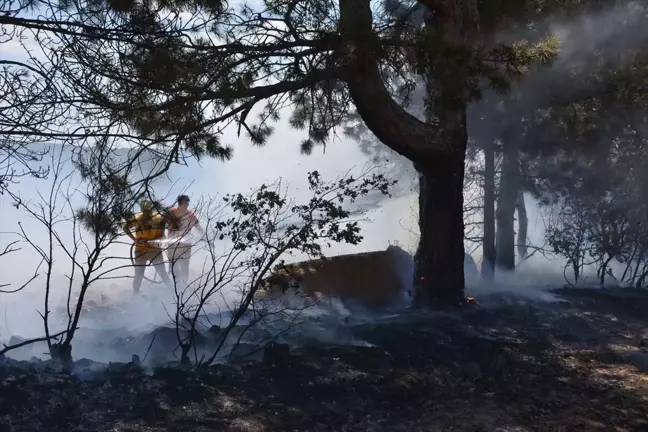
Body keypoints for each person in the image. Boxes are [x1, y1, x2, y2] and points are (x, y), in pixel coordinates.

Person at [122, 200, 173, 293]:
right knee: (139, 273)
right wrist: (135, 240)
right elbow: (125, 227)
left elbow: (162, 236)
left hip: (155, 251)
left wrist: (150, 242)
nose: (146, 213)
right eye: (144, 210)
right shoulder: (137, 219)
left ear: (152, 209)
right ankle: (136, 293)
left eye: (148, 210)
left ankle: (173, 292)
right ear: (141, 209)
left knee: (162, 272)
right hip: (140, 250)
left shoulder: (158, 219)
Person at [166, 195, 206, 285]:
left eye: (188, 203)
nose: (187, 205)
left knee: (185, 265)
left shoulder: (190, 215)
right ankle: (176, 283)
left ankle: (183, 285)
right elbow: (162, 224)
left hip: (185, 244)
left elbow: (198, 227)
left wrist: (206, 237)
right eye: (185, 203)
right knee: (173, 265)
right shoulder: (171, 213)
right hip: (172, 244)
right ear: (180, 203)